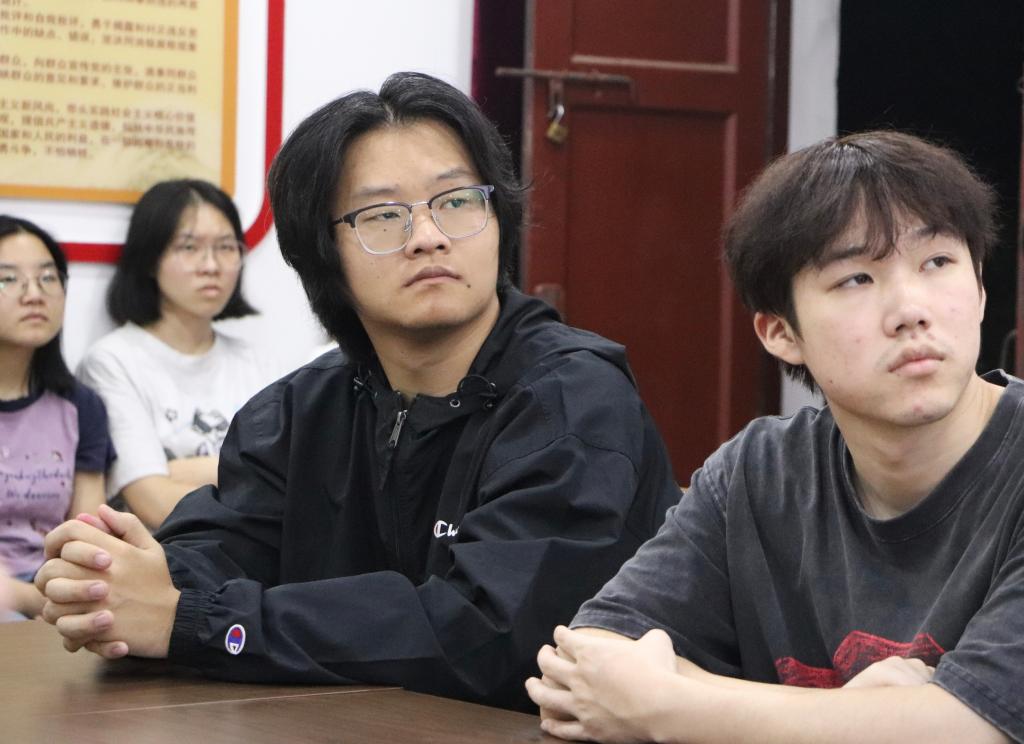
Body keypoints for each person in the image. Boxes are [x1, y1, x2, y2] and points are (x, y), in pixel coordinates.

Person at [33, 72, 680, 711]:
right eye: (383, 215)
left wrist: (199, 621)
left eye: (457, 201)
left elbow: (490, 632)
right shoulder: (298, 409)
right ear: (324, 255)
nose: (428, 236)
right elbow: (223, 547)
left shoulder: (572, 397)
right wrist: (118, 581)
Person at [525, 130, 1023, 743]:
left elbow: (974, 728)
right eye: (856, 279)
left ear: (980, 288)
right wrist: (858, 718)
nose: (910, 309)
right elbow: (585, 664)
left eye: (937, 262)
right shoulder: (759, 473)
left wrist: (663, 707)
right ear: (780, 333)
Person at [77, 180, 275, 530]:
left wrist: (187, 470)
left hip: (250, 555)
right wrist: (246, 476)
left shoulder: (256, 361)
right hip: (164, 554)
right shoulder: (113, 361)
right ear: (150, 260)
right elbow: (152, 502)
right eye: (189, 247)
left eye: (226, 247)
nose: (211, 265)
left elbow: (288, 477)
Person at [0, 216, 114, 621]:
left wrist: (54, 595)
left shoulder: (81, 406)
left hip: (54, 591)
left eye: (48, 278)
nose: (34, 294)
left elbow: (88, 532)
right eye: (7, 279)